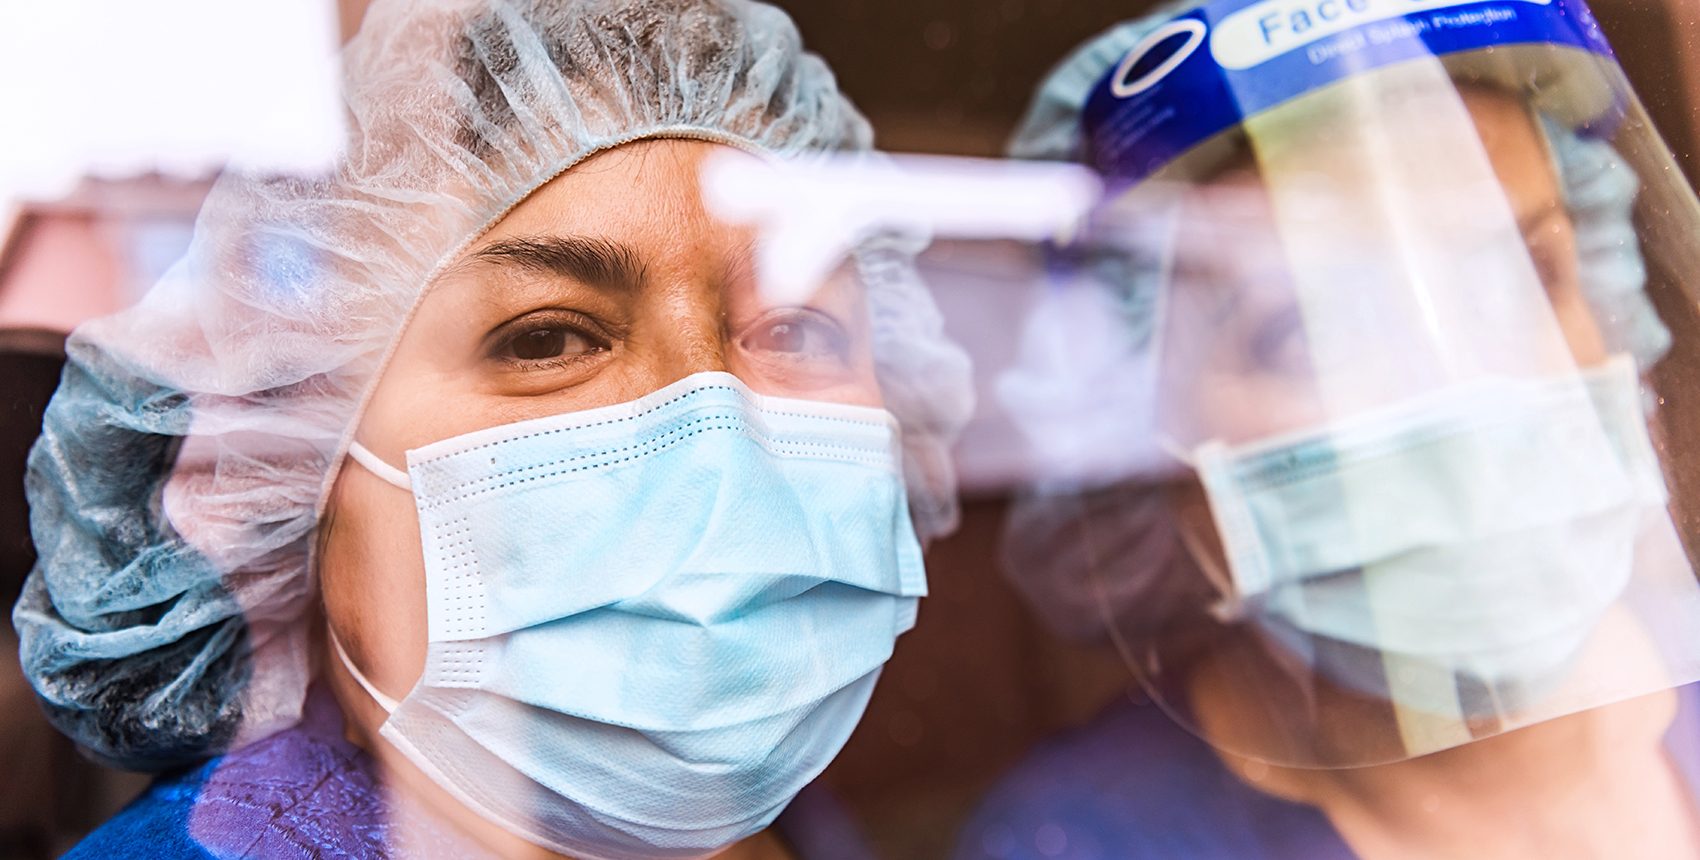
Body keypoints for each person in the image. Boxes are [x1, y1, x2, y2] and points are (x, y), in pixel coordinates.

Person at [13, 1, 973, 858]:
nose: (719, 443)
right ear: (296, 471)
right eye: (549, 337)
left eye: (795, 329)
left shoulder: (807, 831)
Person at [959, 0, 1700, 857]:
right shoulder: (1092, 842)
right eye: (1306, 332)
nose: (1467, 389)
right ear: (1149, 448)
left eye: (1527, 272)